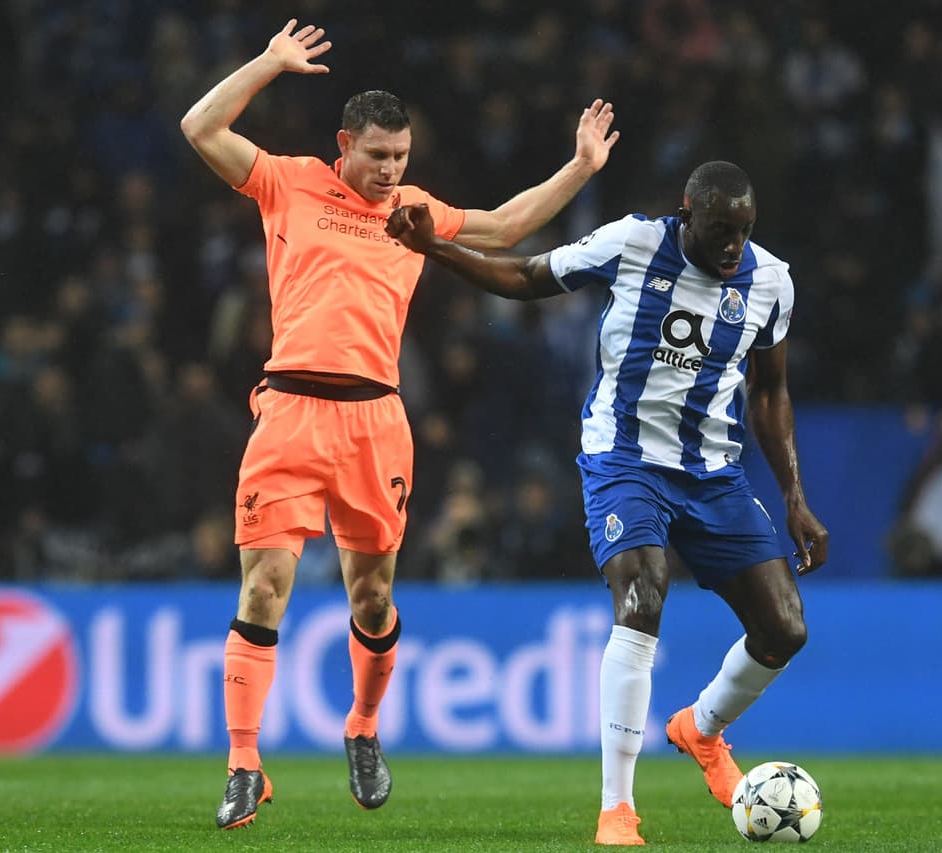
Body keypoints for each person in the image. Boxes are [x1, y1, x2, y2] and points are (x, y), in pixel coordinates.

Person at [178, 19, 619, 830]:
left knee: (372, 597)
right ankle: (245, 763)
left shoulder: (412, 210)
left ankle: (364, 727)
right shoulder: (290, 181)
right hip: (288, 409)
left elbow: (508, 226)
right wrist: (269, 65)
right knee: (262, 586)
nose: (390, 172)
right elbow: (200, 126)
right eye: (377, 156)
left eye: (401, 159)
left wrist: (580, 167)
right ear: (344, 144)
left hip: (375, 420)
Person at [385, 160, 829, 846]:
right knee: (642, 597)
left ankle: (701, 730)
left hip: (714, 473)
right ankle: (617, 809)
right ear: (688, 212)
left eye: (743, 231)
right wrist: (435, 248)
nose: (733, 245)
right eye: (720, 230)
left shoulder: (772, 280)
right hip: (624, 458)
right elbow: (529, 276)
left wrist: (795, 496)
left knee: (786, 629)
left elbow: (770, 391)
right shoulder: (632, 242)